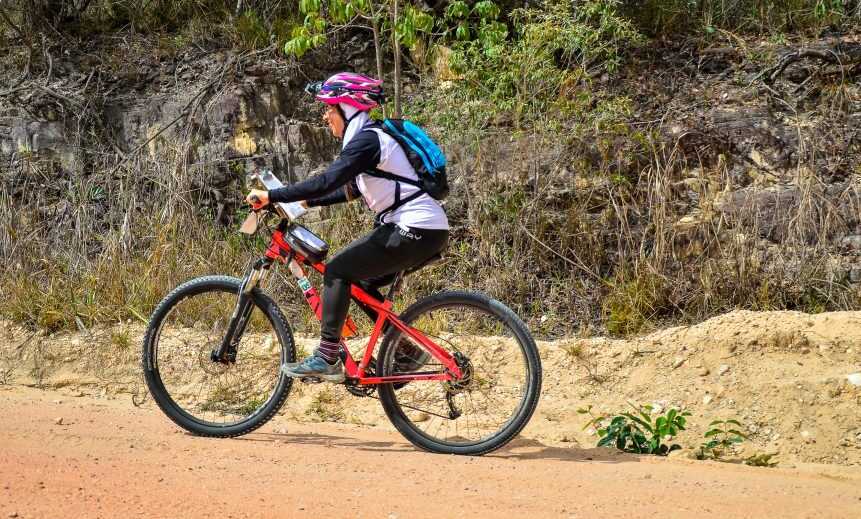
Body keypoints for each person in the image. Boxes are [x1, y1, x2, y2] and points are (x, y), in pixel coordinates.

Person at [245, 72, 449, 383]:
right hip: (424, 229)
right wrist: (306, 204)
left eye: (329, 107)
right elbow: (350, 190)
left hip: (414, 227)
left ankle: (327, 357)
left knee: (337, 270)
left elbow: (326, 180)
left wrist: (271, 195)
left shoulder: (367, 140)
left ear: (347, 106)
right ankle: (407, 350)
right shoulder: (368, 139)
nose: (325, 115)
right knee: (358, 282)